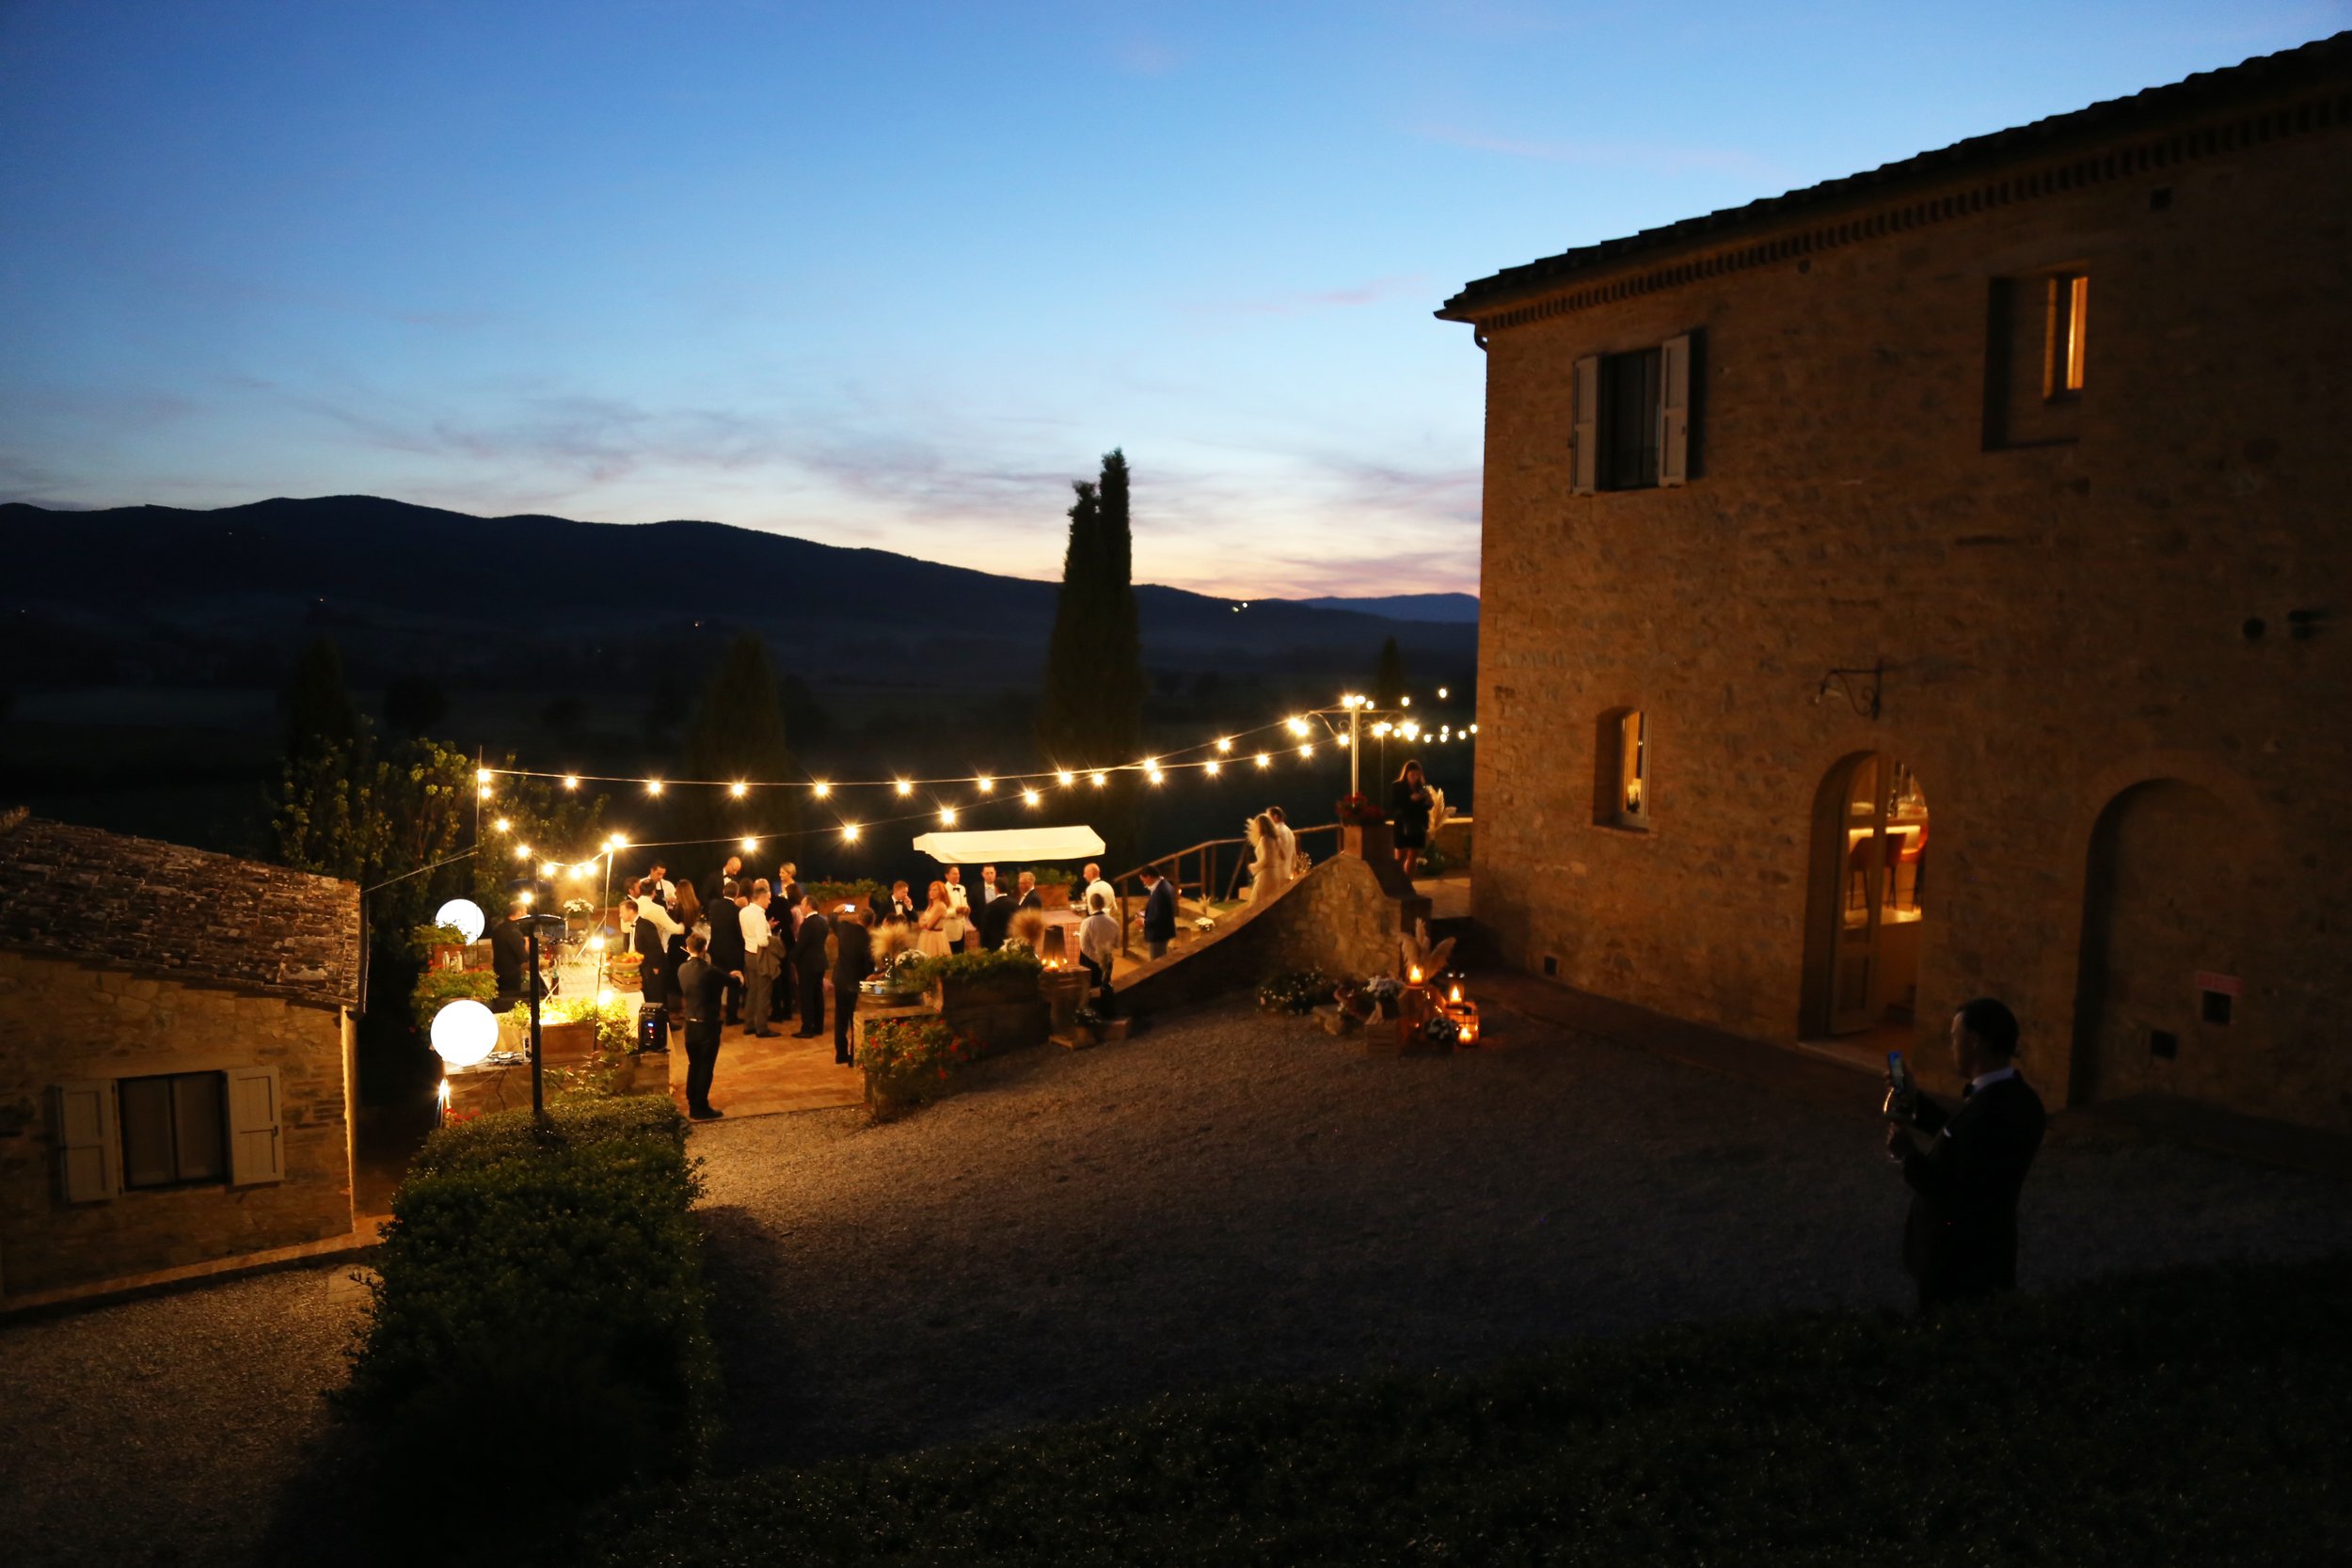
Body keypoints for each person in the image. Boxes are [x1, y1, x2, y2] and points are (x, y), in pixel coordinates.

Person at [1885, 997, 2048, 1311]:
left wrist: (1908, 1155)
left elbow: (1954, 1189)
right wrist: (1914, 1101)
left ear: (1974, 1042)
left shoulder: (1992, 1109)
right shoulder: (2018, 1099)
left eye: (1954, 1038)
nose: (1951, 1046)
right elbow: (1961, 1136)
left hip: (1958, 1261)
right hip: (1987, 1252)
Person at [675, 932, 724, 1120]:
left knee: (693, 1064)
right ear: (705, 949)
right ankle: (700, 1106)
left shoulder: (682, 969)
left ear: (688, 948)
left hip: (690, 1023)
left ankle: (691, 1101)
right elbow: (732, 982)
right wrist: (738, 976)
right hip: (707, 1024)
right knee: (706, 1066)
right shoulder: (709, 970)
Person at [832, 905, 874, 1066]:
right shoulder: (867, 939)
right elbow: (868, 966)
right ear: (870, 923)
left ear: (858, 918)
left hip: (840, 979)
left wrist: (841, 909)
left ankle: (840, 1054)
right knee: (854, 1019)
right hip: (856, 983)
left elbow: (831, 918)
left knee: (840, 1019)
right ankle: (853, 1058)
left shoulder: (844, 929)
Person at [632, 880, 683, 1012]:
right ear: (654, 892)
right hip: (655, 955)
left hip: (636, 954)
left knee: (646, 991)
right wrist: (684, 924)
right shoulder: (657, 909)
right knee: (658, 991)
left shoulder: (633, 906)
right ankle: (664, 1023)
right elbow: (675, 929)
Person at [740, 880, 780, 1037]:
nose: (770, 902)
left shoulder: (743, 912)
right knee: (764, 992)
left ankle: (748, 1025)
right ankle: (762, 1028)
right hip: (760, 955)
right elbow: (762, 941)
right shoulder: (758, 915)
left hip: (748, 954)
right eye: (768, 899)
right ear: (761, 897)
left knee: (752, 991)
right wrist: (773, 940)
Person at [707, 879, 748, 1026]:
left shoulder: (714, 907)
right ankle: (731, 1017)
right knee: (733, 985)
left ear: (723, 892)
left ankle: (715, 1014)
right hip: (733, 952)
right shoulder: (737, 911)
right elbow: (739, 933)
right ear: (737, 894)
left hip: (716, 950)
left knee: (716, 985)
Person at [791, 890, 832, 1037]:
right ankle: (818, 1027)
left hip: (808, 966)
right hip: (820, 963)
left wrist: (791, 958)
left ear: (809, 905)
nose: (801, 907)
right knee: (818, 996)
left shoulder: (807, 924)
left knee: (806, 997)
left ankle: (807, 1029)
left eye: (802, 904)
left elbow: (801, 945)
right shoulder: (822, 921)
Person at [489, 894, 538, 1007]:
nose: (526, 915)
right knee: (510, 1004)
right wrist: (527, 944)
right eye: (525, 912)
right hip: (510, 975)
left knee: (500, 1001)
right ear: (519, 913)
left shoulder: (499, 927)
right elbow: (523, 957)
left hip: (498, 972)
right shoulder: (513, 932)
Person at [1078, 891, 1120, 1016]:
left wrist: (1095, 958)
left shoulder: (1087, 922)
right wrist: (1104, 957)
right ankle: (1108, 1012)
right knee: (1106, 986)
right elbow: (1117, 944)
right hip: (1107, 961)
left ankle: (1091, 1014)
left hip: (1090, 962)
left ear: (1091, 905)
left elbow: (1084, 947)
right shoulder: (1113, 922)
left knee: (1090, 990)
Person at [1390, 759, 1433, 878]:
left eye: (1417, 774)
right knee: (1400, 855)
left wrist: (1428, 801)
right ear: (1406, 774)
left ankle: (1408, 882)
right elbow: (1395, 804)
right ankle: (1397, 881)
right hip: (1403, 823)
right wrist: (1411, 800)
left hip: (1418, 823)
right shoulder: (1398, 786)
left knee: (1413, 855)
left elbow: (1428, 806)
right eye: (1412, 774)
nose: (1415, 777)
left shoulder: (1422, 788)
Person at [1139, 866, 1178, 959]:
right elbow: (1162, 910)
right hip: (1164, 932)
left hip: (1159, 934)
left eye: (1143, 880)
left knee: (1157, 963)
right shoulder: (1165, 885)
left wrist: (1143, 922)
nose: (1144, 883)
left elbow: (1160, 918)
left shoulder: (1160, 892)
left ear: (1148, 877)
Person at [1245, 814, 1279, 903]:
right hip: (1274, 873)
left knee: (1258, 902)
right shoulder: (1274, 839)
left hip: (1265, 875)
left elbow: (1266, 859)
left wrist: (1253, 866)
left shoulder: (1264, 839)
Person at [916, 879, 954, 958]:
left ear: (941, 892)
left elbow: (930, 925)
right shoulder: (931, 905)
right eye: (930, 890)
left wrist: (924, 923)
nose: (931, 892)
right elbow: (920, 921)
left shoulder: (940, 906)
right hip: (926, 936)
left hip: (935, 939)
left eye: (935, 890)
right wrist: (924, 923)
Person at [942, 865, 973, 950]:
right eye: (954, 874)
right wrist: (955, 911)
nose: (957, 876)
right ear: (947, 876)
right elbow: (942, 913)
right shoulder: (942, 890)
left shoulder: (962, 888)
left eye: (958, 873)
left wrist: (967, 909)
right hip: (950, 931)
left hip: (962, 929)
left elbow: (965, 904)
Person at [1268, 806, 1297, 880]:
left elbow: (1274, 853)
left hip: (1277, 874)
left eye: (1268, 817)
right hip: (1288, 872)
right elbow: (1294, 854)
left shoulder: (1275, 832)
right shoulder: (1289, 831)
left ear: (1275, 817)